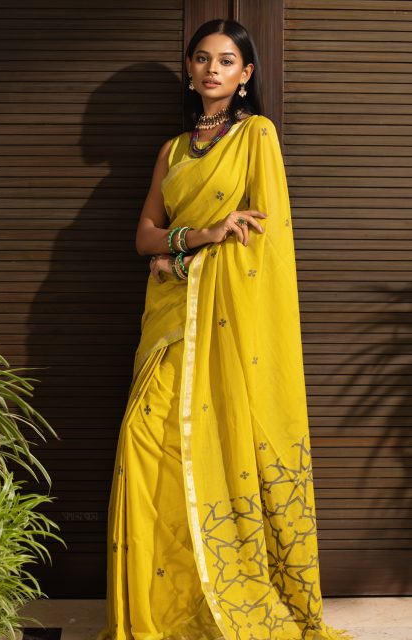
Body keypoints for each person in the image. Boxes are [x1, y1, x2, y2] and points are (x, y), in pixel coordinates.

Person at [97, 18, 356, 640]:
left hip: (224, 321)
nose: (212, 69)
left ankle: (222, 597)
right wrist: (199, 238)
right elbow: (145, 237)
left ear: (245, 75)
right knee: (146, 448)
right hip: (168, 321)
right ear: (190, 71)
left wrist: (182, 259)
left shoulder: (256, 135)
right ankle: (162, 608)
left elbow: (265, 241)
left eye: (226, 60)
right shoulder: (172, 150)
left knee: (212, 449)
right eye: (202, 58)